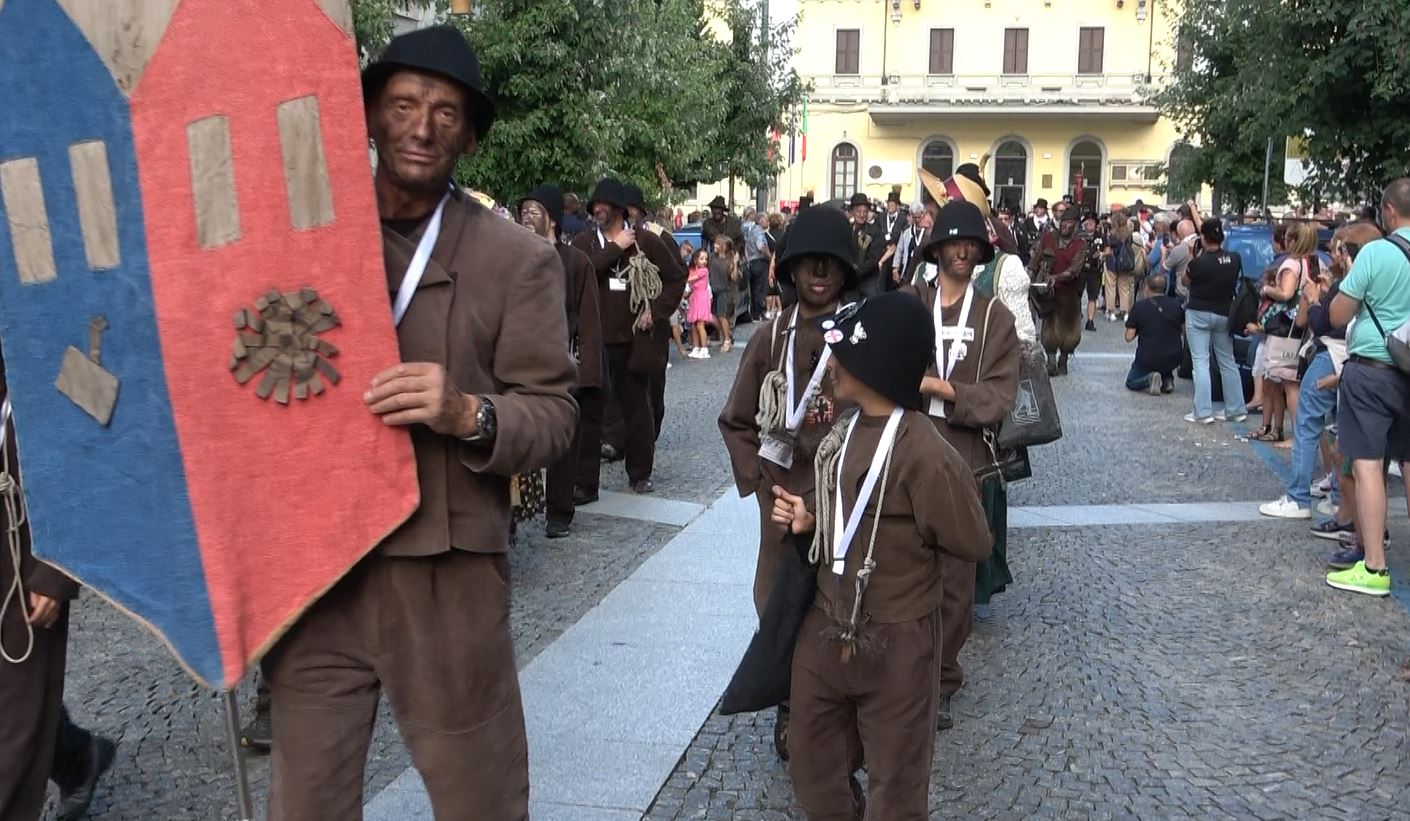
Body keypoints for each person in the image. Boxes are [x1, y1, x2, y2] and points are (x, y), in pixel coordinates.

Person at [263, 27, 579, 820]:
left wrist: (469, 412)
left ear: (469, 134)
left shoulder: (516, 259)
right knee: (304, 800)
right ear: (369, 117)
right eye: (402, 103)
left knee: (481, 798)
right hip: (321, 566)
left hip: (445, 573)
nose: (422, 125)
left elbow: (554, 415)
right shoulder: (304, 241)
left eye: (445, 111)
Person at [769, 292, 992, 820]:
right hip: (826, 631)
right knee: (813, 768)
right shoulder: (841, 433)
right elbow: (844, 509)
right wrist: (812, 520)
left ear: (879, 364)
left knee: (897, 790)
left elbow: (974, 540)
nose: (834, 366)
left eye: (847, 355)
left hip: (898, 642)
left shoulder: (926, 451)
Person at [718, 205, 857, 760]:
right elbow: (734, 420)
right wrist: (759, 479)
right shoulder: (770, 338)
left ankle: (833, 710)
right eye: (807, 264)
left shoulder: (861, 334)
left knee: (839, 605)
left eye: (829, 264)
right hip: (780, 500)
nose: (818, 274)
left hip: (846, 496)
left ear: (845, 269)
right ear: (791, 270)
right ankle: (789, 705)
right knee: (777, 605)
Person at [904, 201, 1020, 732]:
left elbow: (1000, 395)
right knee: (902, 566)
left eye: (971, 245)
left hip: (964, 457)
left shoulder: (996, 317)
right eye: (954, 243)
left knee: (955, 578)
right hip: (906, 451)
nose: (962, 251)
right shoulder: (910, 303)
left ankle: (942, 679)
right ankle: (900, 674)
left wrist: (941, 388)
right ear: (937, 247)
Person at [1, 360, 119, 821]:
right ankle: (75, 756)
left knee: (12, 721)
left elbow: (89, 417)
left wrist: (56, 569)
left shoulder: (43, 299)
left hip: (24, 552)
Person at [571, 178, 685, 496]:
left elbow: (676, 277)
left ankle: (640, 473)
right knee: (592, 413)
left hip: (635, 340)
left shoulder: (646, 242)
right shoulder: (585, 243)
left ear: (620, 210)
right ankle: (585, 483)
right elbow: (580, 276)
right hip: (594, 341)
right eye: (594, 205)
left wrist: (657, 311)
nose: (598, 210)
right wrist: (614, 249)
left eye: (604, 205)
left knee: (638, 410)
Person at [1260, 222, 1380, 521]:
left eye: (1338, 248)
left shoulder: (1349, 282)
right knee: (1343, 431)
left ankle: (1298, 497)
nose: (1333, 254)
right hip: (1362, 359)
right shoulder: (1380, 277)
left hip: (1334, 354)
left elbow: (1324, 322)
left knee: (1308, 422)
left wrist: (1315, 300)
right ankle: (1341, 501)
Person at [1324, 178, 1410, 597]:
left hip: (1373, 368)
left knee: (1369, 465)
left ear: (1389, 212)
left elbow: (1338, 313)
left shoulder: (1378, 252)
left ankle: (1374, 565)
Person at [517, 186, 604, 540]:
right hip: (520, 363)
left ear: (551, 218)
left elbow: (589, 322)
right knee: (517, 437)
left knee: (562, 442)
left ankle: (558, 511)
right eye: (523, 210)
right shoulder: (513, 257)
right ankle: (513, 512)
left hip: (561, 363)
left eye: (534, 210)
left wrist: (588, 373)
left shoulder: (575, 262)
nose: (526, 217)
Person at [1252, 222, 1316, 447]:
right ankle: (1279, 430)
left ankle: (1297, 437)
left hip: (1284, 329)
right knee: (1282, 382)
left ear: (1291, 240)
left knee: (1289, 384)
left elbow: (1286, 292)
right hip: (1295, 327)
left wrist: (1268, 290)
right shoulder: (1308, 262)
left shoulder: (1291, 264)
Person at [1180, 218, 1248, 425]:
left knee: (1200, 361)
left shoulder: (1198, 263)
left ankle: (1203, 411)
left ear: (1203, 237)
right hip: (1225, 313)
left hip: (1199, 312)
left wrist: (1194, 257)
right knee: (1227, 360)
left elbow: (1185, 281)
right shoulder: (1234, 258)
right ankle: (1236, 408)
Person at [1030, 206, 1087, 376]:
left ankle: (1064, 358)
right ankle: (1051, 359)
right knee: (1049, 325)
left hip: (1069, 293)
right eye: (1063, 221)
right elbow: (1036, 259)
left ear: (1075, 225)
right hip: (1048, 292)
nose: (1064, 225)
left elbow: (1074, 270)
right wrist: (1031, 275)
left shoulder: (1080, 245)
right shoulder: (1048, 238)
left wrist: (1056, 277)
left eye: (1069, 222)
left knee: (1071, 331)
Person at [1123, 272, 1184, 394]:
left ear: (1147, 287)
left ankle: (1149, 379)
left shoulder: (1140, 307)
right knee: (1165, 357)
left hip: (1148, 357)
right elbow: (1183, 331)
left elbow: (1128, 337)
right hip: (1174, 356)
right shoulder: (1177, 305)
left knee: (1131, 381)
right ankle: (1167, 379)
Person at [1102, 211, 1146, 322]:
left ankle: (1111, 311)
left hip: (1112, 262)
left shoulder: (1112, 235)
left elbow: (1109, 248)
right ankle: (1125, 312)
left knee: (1111, 287)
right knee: (1124, 288)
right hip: (1125, 263)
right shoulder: (1128, 235)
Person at [846, 193, 885, 298]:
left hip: (869, 282)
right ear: (853, 212)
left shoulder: (875, 232)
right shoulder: (847, 230)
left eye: (865, 211)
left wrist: (857, 270)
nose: (862, 215)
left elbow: (874, 258)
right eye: (859, 211)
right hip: (850, 283)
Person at [710, 237, 741, 353]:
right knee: (712, 316)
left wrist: (735, 263)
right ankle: (723, 335)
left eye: (718, 244)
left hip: (724, 290)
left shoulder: (730, 259)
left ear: (724, 246)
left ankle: (727, 339)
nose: (715, 245)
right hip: (713, 289)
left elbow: (734, 277)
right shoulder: (712, 256)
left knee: (722, 316)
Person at [1080, 212, 1106, 331]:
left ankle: (1090, 321)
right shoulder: (1078, 236)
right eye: (1087, 222)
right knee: (1077, 295)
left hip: (1095, 270)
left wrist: (1102, 254)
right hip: (1080, 270)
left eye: (1092, 222)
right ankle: (1077, 316)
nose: (1090, 224)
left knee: (1092, 297)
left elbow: (1109, 249)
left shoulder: (1100, 236)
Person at [895, 201, 931, 287]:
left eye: (919, 216)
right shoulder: (906, 231)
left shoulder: (928, 231)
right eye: (915, 217)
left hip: (923, 270)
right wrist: (895, 269)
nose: (917, 220)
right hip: (908, 269)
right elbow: (899, 250)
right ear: (911, 215)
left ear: (923, 214)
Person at [744, 212, 773, 321]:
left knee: (755, 288)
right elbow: (760, 246)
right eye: (766, 219)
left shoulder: (751, 231)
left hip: (752, 262)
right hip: (760, 261)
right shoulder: (759, 232)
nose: (767, 222)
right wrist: (769, 255)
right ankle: (758, 312)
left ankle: (755, 312)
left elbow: (747, 248)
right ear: (760, 220)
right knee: (760, 289)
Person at [686, 249, 714, 358]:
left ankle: (704, 348)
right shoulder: (695, 269)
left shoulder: (704, 271)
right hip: (695, 297)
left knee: (700, 324)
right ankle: (696, 347)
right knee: (694, 325)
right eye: (701, 258)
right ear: (695, 259)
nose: (704, 261)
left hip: (701, 297)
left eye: (706, 259)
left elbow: (691, 278)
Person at [879, 190, 907, 290]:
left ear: (897, 206)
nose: (890, 206)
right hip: (882, 254)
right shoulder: (881, 217)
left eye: (892, 204)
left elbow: (902, 237)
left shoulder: (902, 219)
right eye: (888, 204)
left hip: (895, 255)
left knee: (893, 284)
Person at [1017, 197, 1051, 266]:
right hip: (1029, 255)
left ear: (1045, 210)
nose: (1038, 210)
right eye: (1037, 208)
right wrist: (1029, 250)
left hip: (1044, 255)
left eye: (1041, 208)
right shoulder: (1027, 222)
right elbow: (1024, 238)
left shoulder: (1050, 223)